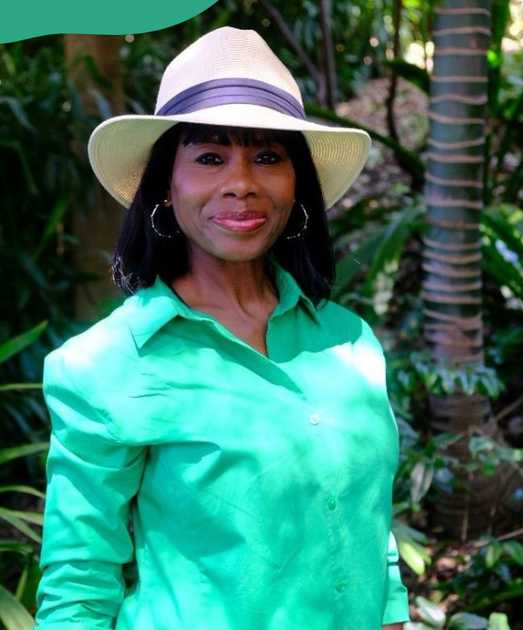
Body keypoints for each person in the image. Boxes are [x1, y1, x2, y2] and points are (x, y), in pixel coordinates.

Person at [35, 27, 409, 629]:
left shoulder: (349, 343)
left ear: (297, 185)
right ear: (165, 187)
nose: (242, 182)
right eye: (210, 158)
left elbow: (368, 525)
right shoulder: (104, 365)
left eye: (268, 156)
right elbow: (79, 582)